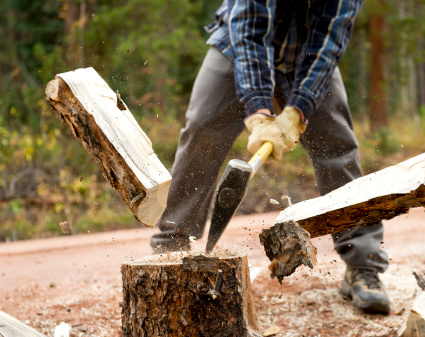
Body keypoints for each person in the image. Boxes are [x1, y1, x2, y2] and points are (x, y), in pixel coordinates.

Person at [151, 0, 390, 314]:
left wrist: (299, 109)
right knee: (202, 129)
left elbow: (329, 40)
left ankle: (364, 265)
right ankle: (171, 248)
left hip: (308, 57)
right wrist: (259, 110)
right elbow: (250, 30)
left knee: (338, 145)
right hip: (237, 46)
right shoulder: (245, 36)